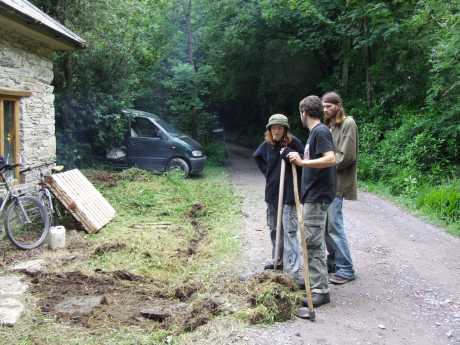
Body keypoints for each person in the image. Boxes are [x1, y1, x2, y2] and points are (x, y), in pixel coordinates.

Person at [287, 96, 336, 307]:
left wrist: (302, 161)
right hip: (312, 195)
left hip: (318, 196)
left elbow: (330, 158)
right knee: (310, 240)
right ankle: (312, 281)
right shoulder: (314, 134)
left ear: (304, 113)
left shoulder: (321, 131)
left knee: (312, 243)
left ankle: (320, 291)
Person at [253, 114, 304, 283]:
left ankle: (292, 271)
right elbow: (257, 156)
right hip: (272, 194)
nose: (276, 131)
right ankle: (278, 260)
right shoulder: (267, 145)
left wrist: (292, 157)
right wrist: (268, 172)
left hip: (289, 195)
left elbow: (304, 162)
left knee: (289, 231)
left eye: (279, 128)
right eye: (273, 128)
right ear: (269, 130)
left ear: (285, 130)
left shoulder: (293, 143)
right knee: (275, 229)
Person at [322, 91, 358, 284]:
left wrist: (321, 164)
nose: (326, 109)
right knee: (326, 226)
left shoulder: (348, 123)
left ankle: (346, 269)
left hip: (338, 183)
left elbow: (346, 156)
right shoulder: (329, 126)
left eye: (329, 106)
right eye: (323, 106)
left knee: (335, 225)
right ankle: (334, 261)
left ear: (338, 105)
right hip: (327, 183)